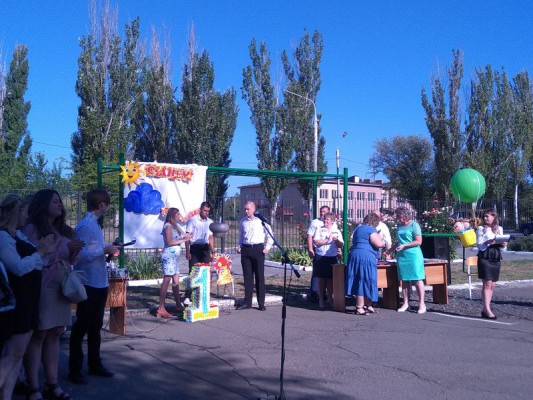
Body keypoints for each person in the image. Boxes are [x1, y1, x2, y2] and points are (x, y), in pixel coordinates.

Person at [22, 190, 85, 400]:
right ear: (42, 205)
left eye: (60, 202)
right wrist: (64, 250)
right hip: (43, 286)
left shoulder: (62, 230)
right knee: (39, 334)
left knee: (56, 332)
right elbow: (36, 259)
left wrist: (74, 251)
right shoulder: (32, 229)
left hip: (61, 287)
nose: (60, 205)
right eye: (55, 201)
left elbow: (70, 261)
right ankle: (33, 387)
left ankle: (52, 384)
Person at [0, 195, 55, 400]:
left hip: (29, 299)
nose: (26, 217)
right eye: (24, 212)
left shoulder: (18, 236)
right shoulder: (4, 237)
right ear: (16, 213)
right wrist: (40, 252)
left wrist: (43, 252)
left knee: (18, 355)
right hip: (17, 302)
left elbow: (38, 263)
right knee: (12, 354)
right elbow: (18, 267)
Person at [69, 189, 121, 385]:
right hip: (88, 281)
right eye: (107, 204)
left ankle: (95, 364)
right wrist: (103, 250)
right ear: (101, 205)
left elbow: (93, 247)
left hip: (99, 281)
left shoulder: (95, 225)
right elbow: (79, 255)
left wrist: (109, 246)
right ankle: (74, 368)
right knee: (82, 325)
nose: (107, 208)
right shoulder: (85, 225)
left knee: (96, 325)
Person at [236, 201, 273, 311]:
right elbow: (241, 236)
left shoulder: (261, 221)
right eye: (245, 209)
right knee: (247, 277)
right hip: (246, 250)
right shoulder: (243, 222)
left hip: (258, 249)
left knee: (259, 277)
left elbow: (270, 235)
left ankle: (261, 303)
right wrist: (239, 246)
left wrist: (267, 247)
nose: (246, 211)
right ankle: (247, 302)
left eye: (248, 209)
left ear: (253, 209)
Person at [345, 213, 384, 315]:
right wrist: (381, 239)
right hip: (365, 257)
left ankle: (367, 305)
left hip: (355, 255)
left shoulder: (358, 229)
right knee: (364, 280)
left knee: (360, 279)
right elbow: (379, 244)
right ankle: (360, 307)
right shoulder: (370, 230)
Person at [156, 208, 191, 318]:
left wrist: (186, 238)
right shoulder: (168, 226)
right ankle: (161, 308)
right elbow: (169, 242)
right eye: (177, 214)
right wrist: (183, 240)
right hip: (169, 257)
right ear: (172, 215)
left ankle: (178, 304)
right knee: (167, 280)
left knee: (176, 281)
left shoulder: (176, 226)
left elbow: (179, 238)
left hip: (174, 258)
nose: (179, 216)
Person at [391, 207, 426, 314]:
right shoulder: (399, 226)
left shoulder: (414, 225)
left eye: (399, 216)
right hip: (402, 256)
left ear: (404, 215)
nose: (398, 218)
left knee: (417, 279)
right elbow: (400, 241)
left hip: (413, 255)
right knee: (404, 280)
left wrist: (405, 245)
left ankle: (422, 303)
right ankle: (405, 303)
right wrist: (390, 249)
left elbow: (418, 241)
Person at [476, 208, 506, 320]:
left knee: (492, 284)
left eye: (487, 216)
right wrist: (488, 242)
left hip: (495, 257)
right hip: (485, 257)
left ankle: (485, 309)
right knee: (487, 283)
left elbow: (504, 249)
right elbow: (479, 245)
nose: (485, 218)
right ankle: (487, 309)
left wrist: (503, 244)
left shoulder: (499, 228)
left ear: (494, 217)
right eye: (484, 216)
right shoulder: (481, 228)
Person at [311, 212, 343, 310]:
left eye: (327, 219)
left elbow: (341, 244)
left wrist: (336, 241)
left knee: (330, 279)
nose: (325, 221)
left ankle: (330, 299)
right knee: (321, 279)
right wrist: (327, 241)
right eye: (324, 219)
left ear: (332, 221)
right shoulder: (320, 229)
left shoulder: (336, 231)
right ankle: (321, 299)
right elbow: (316, 241)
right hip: (321, 256)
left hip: (332, 257)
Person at [307, 206, 333, 301]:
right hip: (319, 251)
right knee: (317, 273)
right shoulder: (315, 222)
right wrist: (310, 249)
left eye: (324, 212)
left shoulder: (332, 223)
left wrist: (339, 250)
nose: (322, 213)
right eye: (321, 211)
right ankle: (314, 293)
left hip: (330, 253)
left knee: (328, 275)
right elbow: (309, 236)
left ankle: (325, 294)